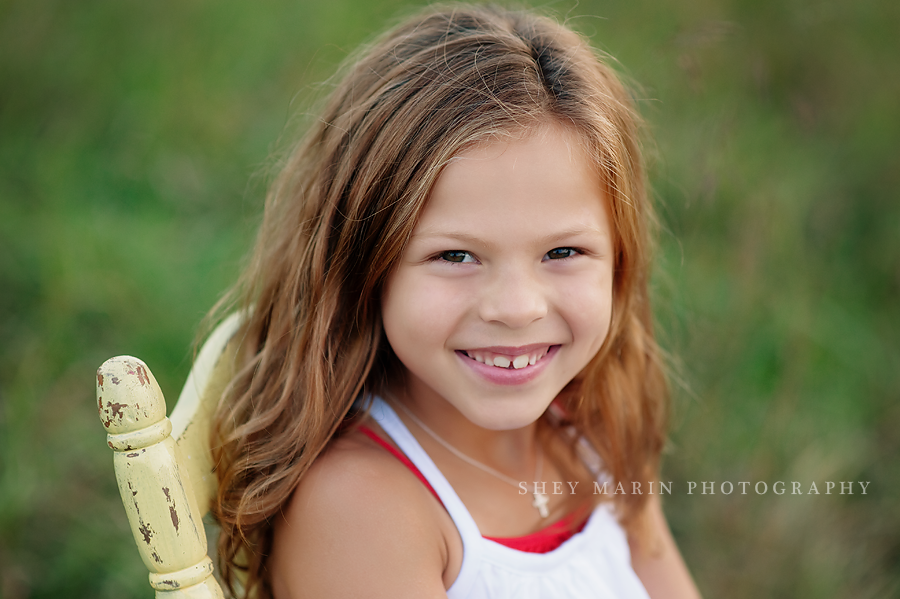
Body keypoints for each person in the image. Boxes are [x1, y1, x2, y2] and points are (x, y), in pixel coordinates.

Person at [210, 4, 702, 598]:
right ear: (366, 264)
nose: (517, 308)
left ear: (620, 259)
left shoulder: (590, 429)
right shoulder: (364, 507)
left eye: (564, 252)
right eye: (455, 257)